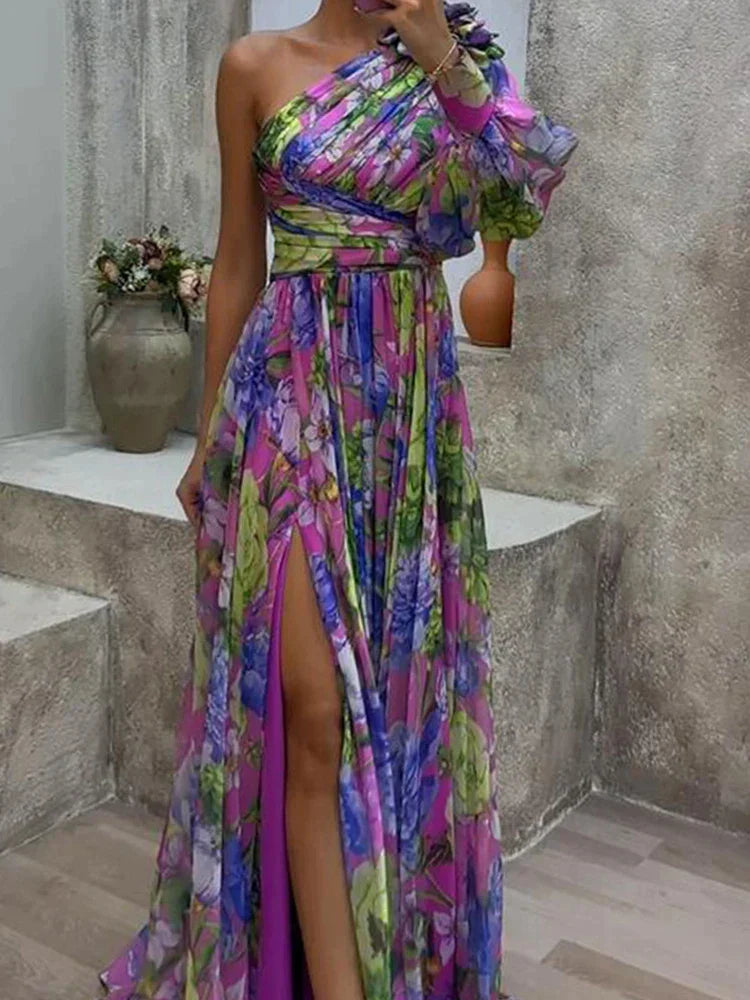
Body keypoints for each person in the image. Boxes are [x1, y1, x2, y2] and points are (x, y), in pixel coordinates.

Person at [98, 1, 577, 998]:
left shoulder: (453, 63)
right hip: (287, 397)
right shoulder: (254, 65)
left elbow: (522, 194)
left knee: (403, 701)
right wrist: (210, 435)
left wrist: (442, 58)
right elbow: (239, 258)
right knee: (313, 712)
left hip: (407, 418)